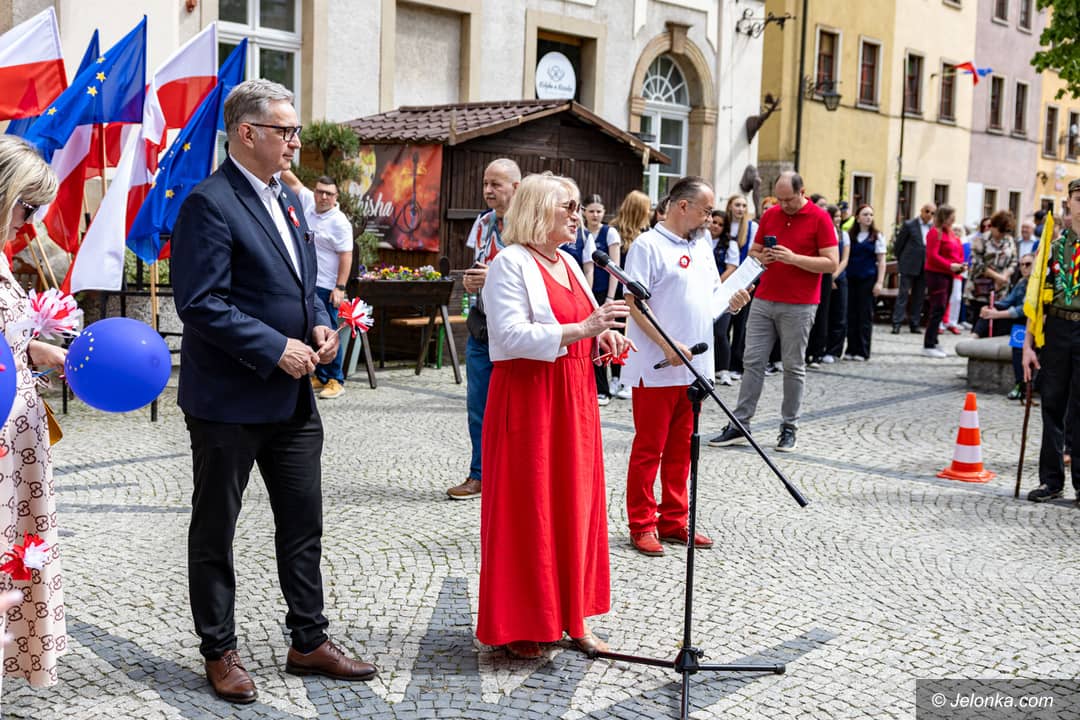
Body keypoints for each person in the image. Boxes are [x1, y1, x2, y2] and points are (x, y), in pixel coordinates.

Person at [171, 79, 376, 705]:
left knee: (303, 522)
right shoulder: (209, 203)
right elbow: (200, 303)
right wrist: (273, 346)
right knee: (217, 528)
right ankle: (219, 649)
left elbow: (302, 284)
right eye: (285, 130)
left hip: (292, 400)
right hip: (229, 401)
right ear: (246, 132)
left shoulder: (287, 198)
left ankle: (308, 639)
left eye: (295, 130)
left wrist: (318, 322)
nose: (295, 141)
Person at [476, 173, 633, 658]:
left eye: (577, 206)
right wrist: (584, 328)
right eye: (568, 205)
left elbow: (582, 323)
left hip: (574, 397)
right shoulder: (509, 263)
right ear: (538, 209)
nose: (576, 214)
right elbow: (509, 336)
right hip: (529, 398)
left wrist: (603, 335)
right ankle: (524, 623)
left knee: (575, 505)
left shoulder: (568, 262)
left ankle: (573, 615)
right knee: (530, 508)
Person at [620, 176, 751, 556]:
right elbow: (634, 303)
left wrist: (731, 302)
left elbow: (710, 298)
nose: (710, 219)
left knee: (682, 449)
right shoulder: (647, 245)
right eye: (706, 211)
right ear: (682, 206)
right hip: (657, 365)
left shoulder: (702, 244)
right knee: (650, 449)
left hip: (696, 366)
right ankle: (642, 523)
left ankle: (674, 519)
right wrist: (667, 344)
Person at [708, 171, 838, 452]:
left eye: (788, 200)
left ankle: (789, 427)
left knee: (793, 366)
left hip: (800, 303)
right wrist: (762, 257)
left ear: (802, 191)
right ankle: (740, 423)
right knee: (752, 361)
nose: (783, 205)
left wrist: (794, 259)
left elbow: (831, 263)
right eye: (779, 199)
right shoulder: (771, 214)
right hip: (764, 299)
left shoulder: (820, 218)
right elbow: (753, 252)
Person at [0, 136, 65, 693]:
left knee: (14, 558)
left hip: (19, 446)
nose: (30, 221)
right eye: (28, 206)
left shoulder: (1, 255)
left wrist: (41, 351)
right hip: (2, 446)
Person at [446, 159, 521, 500]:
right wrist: (473, 281)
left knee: (517, 410)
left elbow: (537, 274)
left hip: (518, 332)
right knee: (478, 407)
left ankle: (514, 476)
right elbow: (478, 265)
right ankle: (480, 474)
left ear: (516, 187)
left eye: (496, 184)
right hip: (483, 328)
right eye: (485, 183)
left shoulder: (530, 226)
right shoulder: (484, 222)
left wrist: (495, 276)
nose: (488, 190)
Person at [1023, 179, 1080, 504]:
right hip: (1057, 328)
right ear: (1068, 203)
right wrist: (1028, 346)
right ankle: (1051, 480)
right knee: (1052, 404)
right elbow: (1036, 300)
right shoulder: (1053, 249)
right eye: (1078, 198)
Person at [281, 172, 353, 399]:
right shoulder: (307, 203)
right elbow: (293, 181)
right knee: (313, 332)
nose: (323, 197)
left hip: (327, 286)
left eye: (329, 194)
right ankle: (320, 377)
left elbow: (346, 255)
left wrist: (340, 287)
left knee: (330, 334)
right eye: (320, 192)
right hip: (306, 283)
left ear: (336, 197)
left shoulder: (339, 222)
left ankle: (335, 379)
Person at [608, 190, 652, 400]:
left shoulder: (647, 233)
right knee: (618, 334)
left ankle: (627, 377)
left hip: (637, 294)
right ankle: (616, 376)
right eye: (647, 209)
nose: (650, 213)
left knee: (633, 335)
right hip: (619, 291)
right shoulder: (614, 230)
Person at [583, 194, 623, 403]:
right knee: (594, 339)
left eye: (599, 211)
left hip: (607, 292)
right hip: (589, 292)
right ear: (584, 212)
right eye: (591, 211)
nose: (595, 215)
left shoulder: (610, 232)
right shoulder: (580, 232)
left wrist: (610, 297)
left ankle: (614, 380)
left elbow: (615, 268)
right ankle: (598, 385)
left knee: (611, 337)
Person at [978, 252, 1033, 398]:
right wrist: (991, 307)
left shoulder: (1038, 284)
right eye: (1021, 265)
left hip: (1035, 323)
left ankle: (1022, 385)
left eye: (1028, 264)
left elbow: (1024, 309)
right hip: (1020, 322)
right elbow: (1007, 302)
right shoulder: (1021, 283)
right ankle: (974, 336)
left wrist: (997, 314)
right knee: (988, 310)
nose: (1024, 267)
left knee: (1018, 343)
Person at [722, 195, 758, 382]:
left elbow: (753, 255)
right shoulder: (723, 224)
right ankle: (722, 363)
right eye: (737, 205)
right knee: (723, 326)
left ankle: (736, 364)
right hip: (724, 280)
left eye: (744, 205)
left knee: (740, 325)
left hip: (743, 282)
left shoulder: (752, 227)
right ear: (730, 206)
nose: (741, 209)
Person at [843, 204, 887, 361]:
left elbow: (881, 261)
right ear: (858, 217)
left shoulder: (876, 236)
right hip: (851, 278)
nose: (869, 217)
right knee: (851, 314)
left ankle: (863, 350)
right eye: (865, 214)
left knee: (865, 315)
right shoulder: (850, 236)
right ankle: (851, 348)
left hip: (867, 279)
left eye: (871, 215)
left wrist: (879, 282)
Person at [922, 204, 964, 358]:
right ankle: (928, 344)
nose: (953, 219)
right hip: (936, 274)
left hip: (948, 274)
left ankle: (934, 340)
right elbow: (932, 255)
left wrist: (959, 265)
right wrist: (949, 265)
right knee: (937, 307)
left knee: (943, 306)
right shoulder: (935, 232)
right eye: (951, 217)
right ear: (944, 217)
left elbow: (954, 251)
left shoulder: (950, 233)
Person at [966, 210, 1017, 327]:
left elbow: (1014, 261)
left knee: (996, 324)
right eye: (1001, 231)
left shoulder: (1009, 240)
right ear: (994, 226)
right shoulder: (981, 240)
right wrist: (997, 277)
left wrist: (1005, 276)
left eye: (1006, 231)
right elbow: (977, 263)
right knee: (979, 323)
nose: (1003, 234)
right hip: (981, 289)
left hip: (1001, 290)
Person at [892, 203, 934, 334]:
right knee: (903, 294)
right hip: (909, 264)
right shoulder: (910, 224)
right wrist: (901, 260)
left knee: (919, 295)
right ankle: (897, 323)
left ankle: (914, 323)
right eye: (927, 211)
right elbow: (899, 244)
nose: (929, 215)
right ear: (921, 211)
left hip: (924, 265)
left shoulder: (933, 227)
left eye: (932, 213)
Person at [823, 204, 851, 363]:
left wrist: (833, 277)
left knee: (839, 314)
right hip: (825, 277)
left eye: (840, 216)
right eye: (835, 216)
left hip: (839, 277)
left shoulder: (843, 235)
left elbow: (844, 259)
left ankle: (834, 350)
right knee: (825, 314)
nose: (838, 219)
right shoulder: (824, 233)